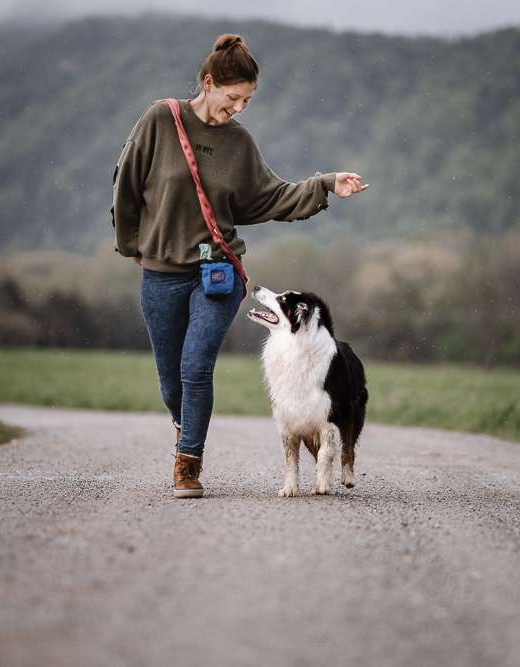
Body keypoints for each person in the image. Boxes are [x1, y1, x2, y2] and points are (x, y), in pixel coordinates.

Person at [112, 33, 368, 499]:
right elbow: (127, 182)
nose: (240, 107)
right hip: (161, 273)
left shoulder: (239, 143)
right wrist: (130, 242)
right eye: (234, 97)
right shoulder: (159, 120)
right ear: (207, 83)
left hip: (218, 274)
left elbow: (273, 195)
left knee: (196, 367)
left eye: (248, 100)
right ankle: (184, 425)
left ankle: (188, 464)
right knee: (172, 384)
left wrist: (327, 184)